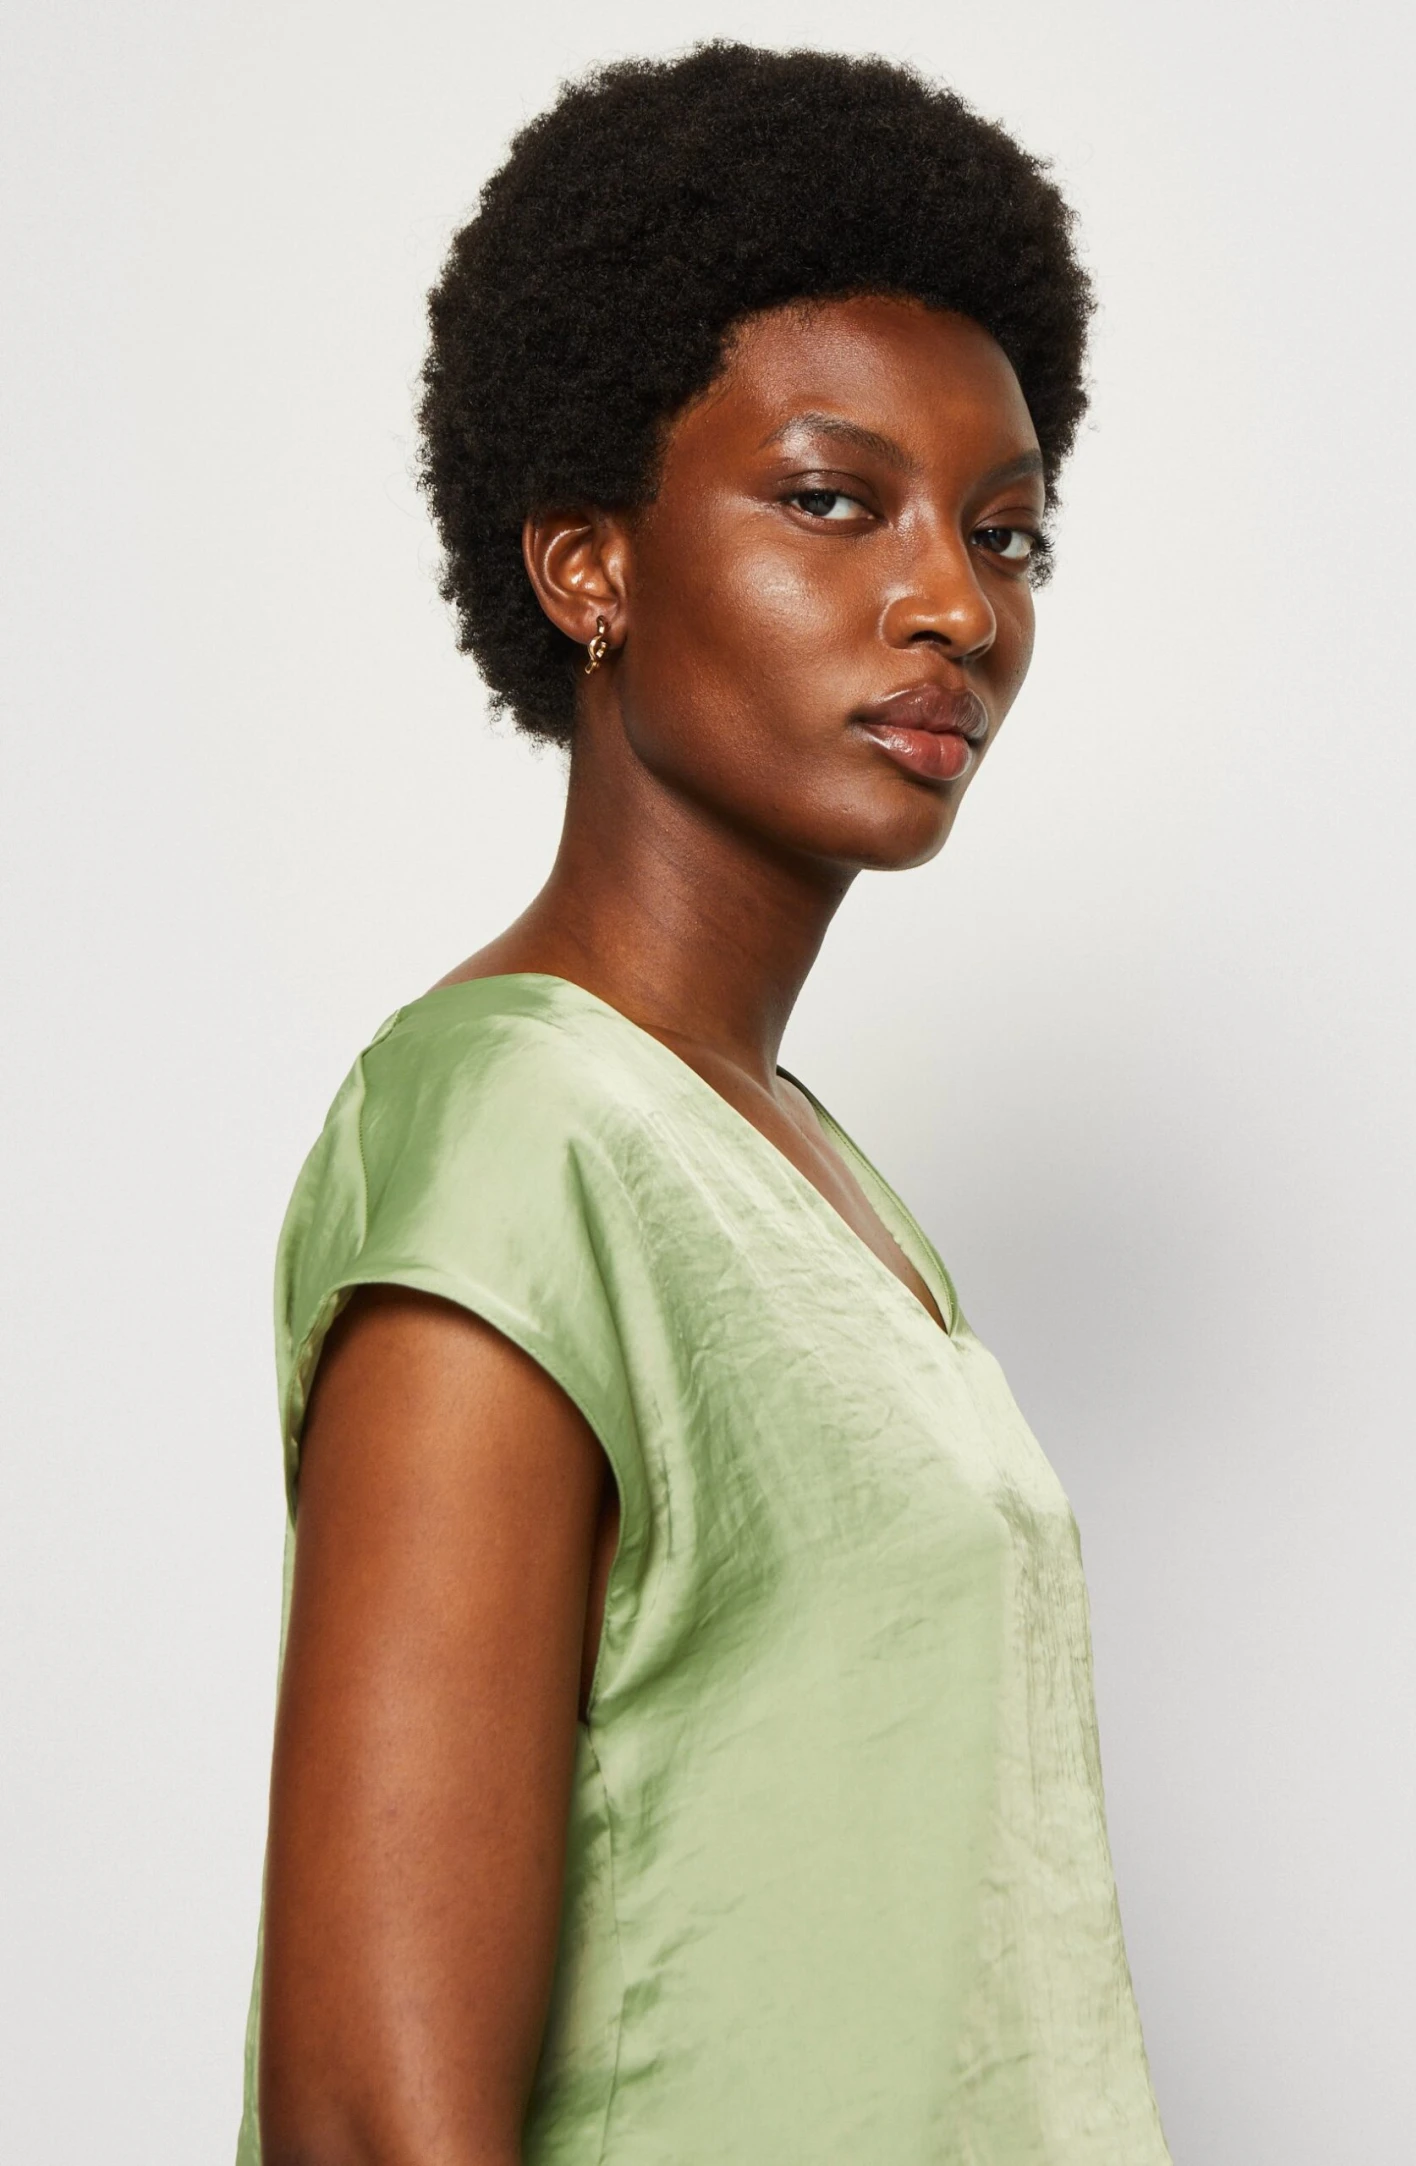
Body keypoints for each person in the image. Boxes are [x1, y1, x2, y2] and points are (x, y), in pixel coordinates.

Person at [238, 41, 1172, 2166]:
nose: (957, 604)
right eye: (834, 500)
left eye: (1007, 533)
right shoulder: (515, 1138)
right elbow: (372, 2114)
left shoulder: (814, 1177)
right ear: (590, 566)